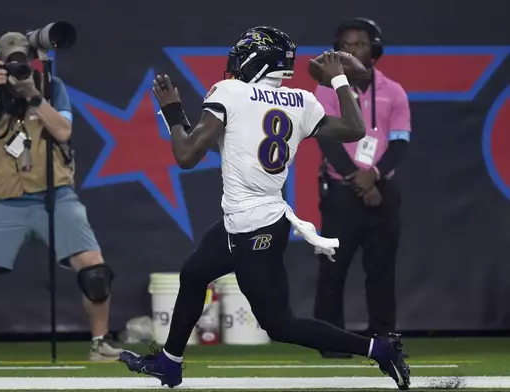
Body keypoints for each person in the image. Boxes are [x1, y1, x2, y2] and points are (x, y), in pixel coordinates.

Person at [119, 26, 410, 390]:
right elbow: (354, 129)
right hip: (246, 220)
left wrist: (172, 111)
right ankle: (169, 362)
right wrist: (339, 81)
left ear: (258, 59)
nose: (237, 63)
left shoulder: (231, 92)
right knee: (194, 275)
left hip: (255, 227)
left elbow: (187, 155)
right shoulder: (301, 101)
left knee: (279, 324)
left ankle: (379, 349)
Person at [0, 32, 122, 363]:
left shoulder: (50, 87)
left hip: (56, 196)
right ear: (1, 61)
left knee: (94, 272)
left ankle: (100, 343)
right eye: (13, 61)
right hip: (5, 200)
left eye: (24, 61)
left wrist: (33, 95)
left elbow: (63, 131)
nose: (20, 67)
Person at [313, 18, 411, 359]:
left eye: (360, 44)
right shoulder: (327, 89)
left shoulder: (394, 91)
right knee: (332, 268)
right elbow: (326, 137)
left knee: (382, 270)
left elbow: (399, 143)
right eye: (346, 44)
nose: (352, 50)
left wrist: (374, 177)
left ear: (375, 50)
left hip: (382, 189)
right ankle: (330, 342)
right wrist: (358, 179)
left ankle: (384, 340)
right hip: (341, 191)